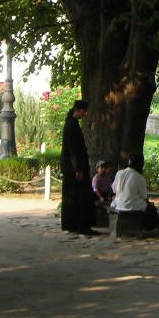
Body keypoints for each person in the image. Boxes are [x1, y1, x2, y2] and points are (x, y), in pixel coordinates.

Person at [60, 100, 98, 235]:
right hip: (75, 168)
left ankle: (72, 224)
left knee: (74, 197)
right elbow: (73, 150)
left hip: (71, 167)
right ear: (79, 110)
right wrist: (78, 169)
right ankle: (82, 225)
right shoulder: (71, 125)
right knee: (82, 197)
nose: (85, 114)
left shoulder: (71, 124)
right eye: (84, 111)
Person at [111, 155, 159, 233]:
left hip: (118, 204)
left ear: (129, 162)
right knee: (151, 210)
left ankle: (158, 223)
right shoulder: (139, 177)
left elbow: (114, 190)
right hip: (132, 206)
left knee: (149, 208)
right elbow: (144, 196)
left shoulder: (119, 173)